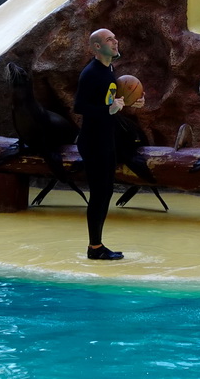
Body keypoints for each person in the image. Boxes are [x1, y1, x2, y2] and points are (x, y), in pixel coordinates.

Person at [73, 28, 144, 260]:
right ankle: (94, 248)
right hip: (93, 141)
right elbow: (80, 107)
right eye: (109, 39)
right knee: (99, 194)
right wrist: (109, 109)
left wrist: (131, 102)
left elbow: (109, 101)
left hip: (106, 139)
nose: (115, 42)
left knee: (106, 192)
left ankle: (97, 245)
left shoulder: (109, 69)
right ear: (96, 47)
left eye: (115, 37)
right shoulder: (91, 73)